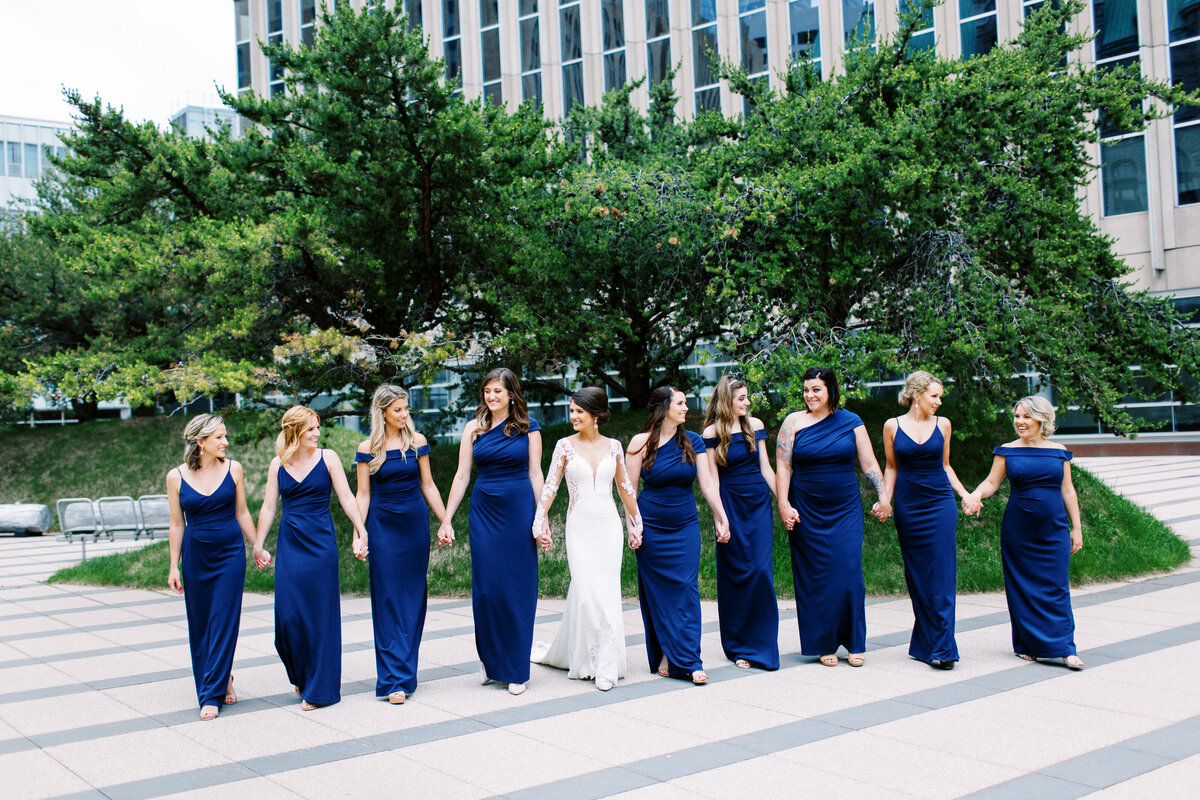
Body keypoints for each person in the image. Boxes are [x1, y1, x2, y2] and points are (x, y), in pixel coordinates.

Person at [252, 406, 368, 710]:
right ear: (295, 432)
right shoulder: (278, 463)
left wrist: (361, 530)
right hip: (290, 544)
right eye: (311, 429)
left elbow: (346, 496)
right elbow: (268, 507)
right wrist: (258, 543)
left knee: (319, 616)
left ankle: (319, 689)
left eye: (318, 428)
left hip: (320, 544)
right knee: (288, 617)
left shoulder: (328, 458)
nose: (317, 433)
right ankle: (301, 674)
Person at [775, 367, 891, 668]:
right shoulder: (793, 423)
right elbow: (783, 466)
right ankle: (823, 643)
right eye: (806, 389)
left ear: (830, 391)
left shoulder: (851, 422)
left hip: (845, 510)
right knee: (815, 577)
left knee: (849, 573)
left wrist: (883, 496)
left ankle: (854, 642)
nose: (809, 395)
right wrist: (784, 504)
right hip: (807, 510)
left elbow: (868, 463)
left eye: (816, 389)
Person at [439, 368, 544, 696]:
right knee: (487, 590)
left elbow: (536, 473)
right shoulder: (473, 428)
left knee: (516, 589)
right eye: (487, 391)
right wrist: (446, 519)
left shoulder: (529, 429)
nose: (492, 397)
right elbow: (461, 476)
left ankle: (515, 668)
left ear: (511, 393)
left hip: (518, 512)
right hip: (484, 514)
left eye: (498, 391)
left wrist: (542, 519)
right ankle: (490, 661)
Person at [531, 388, 642, 691]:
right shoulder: (564, 446)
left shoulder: (615, 446)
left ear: (596, 415)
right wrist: (540, 519)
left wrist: (636, 523)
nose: (574, 416)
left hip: (608, 528)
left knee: (605, 593)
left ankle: (605, 664)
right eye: (572, 411)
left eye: (580, 411)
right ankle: (587, 658)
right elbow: (551, 486)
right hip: (578, 528)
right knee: (586, 591)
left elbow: (624, 488)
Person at [963, 396, 1084, 670]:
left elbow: (1068, 490)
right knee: (1022, 587)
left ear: (1042, 420)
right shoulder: (1007, 451)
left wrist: (1076, 528)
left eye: (1026, 417)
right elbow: (992, 482)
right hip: (1019, 531)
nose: (1019, 422)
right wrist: (975, 495)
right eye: (1017, 416)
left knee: (1056, 587)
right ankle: (1027, 645)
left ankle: (1065, 648)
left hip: (1053, 529)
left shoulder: (1058, 451)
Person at [626, 386, 730, 685]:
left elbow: (708, 485)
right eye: (681, 403)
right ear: (664, 408)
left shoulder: (693, 441)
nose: (686, 407)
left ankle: (690, 660)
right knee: (658, 593)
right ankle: (666, 654)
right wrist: (632, 525)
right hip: (652, 526)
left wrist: (721, 518)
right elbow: (629, 490)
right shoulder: (640, 442)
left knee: (686, 589)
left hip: (684, 524)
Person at [355, 385, 448, 705]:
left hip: (414, 527)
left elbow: (428, 484)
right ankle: (392, 680)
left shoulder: (417, 441)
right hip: (382, 528)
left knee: (411, 599)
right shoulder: (367, 448)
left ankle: (406, 673)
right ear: (382, 413)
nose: (404, 414)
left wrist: (445, 519)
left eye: (406, 409)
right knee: (387, 600)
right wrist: (358, 531)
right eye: (397, 410)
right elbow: (363, 495)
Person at [166, 414, 257, 721]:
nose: (226, 442)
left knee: (224, 619)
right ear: (200, 441)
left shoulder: (234, 469)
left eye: (225, 436)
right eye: (219, 437)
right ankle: (224, 677)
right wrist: (173, 566)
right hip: (195, 556)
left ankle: (210, 694)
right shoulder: (175, 477)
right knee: (202, 623)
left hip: (230, 553)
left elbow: (242, 512)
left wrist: (257, 544)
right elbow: (177, 524)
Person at [881, 371, 970, 670]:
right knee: (917, 577)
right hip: (909, 505)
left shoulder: (943, 425)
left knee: (942, 574)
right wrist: (885, 499)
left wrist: (965, 494)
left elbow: (945, 465)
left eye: (940, 396)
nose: (939, 401)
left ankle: (944, 648)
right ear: (917, 394)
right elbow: (891, 467)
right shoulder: (891, 426)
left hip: (940, 503)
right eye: (934, 396)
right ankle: (925, 644)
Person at [701, 376, 779, 671]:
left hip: (758, 504)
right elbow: (711, 480)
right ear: (727, 401)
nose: (747, 403)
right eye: (742, 398)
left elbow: (767, 469)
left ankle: (763, 643)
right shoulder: (711, 432)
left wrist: (784, 501)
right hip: (730, 504)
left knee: (760, 571)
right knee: (737, 574)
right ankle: (739, 644)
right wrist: (720, 518)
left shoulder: (755, 426)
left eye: (747, 398)